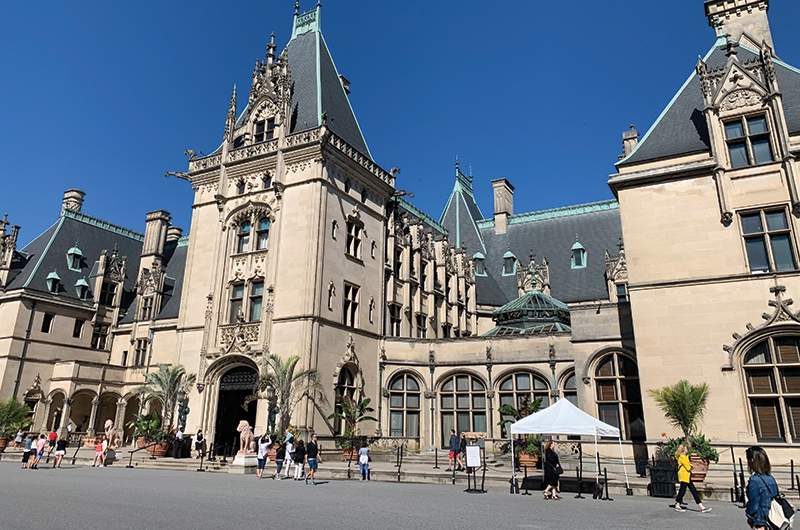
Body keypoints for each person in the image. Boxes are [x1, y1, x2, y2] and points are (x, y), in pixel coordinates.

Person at [745, 446, 778, 529]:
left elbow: (753, 502)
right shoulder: (771, 478)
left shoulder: (754, 480)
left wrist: (750, 516)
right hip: (773, 518)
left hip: (760, 519)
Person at [673, 444, 711, 513]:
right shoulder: (682, 457)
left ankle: (701, 506)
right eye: (686, 448)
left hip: (686, 475)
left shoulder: (685, 456)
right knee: (684, 490)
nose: (687, 450)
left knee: (692, 490)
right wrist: (691, 466)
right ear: (683, 450)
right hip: (684, 475)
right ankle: (678, 504)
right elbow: (687, 466)